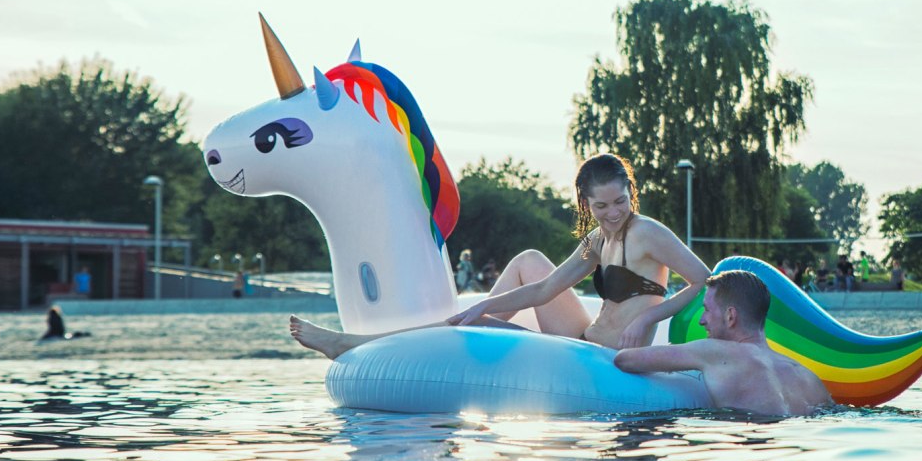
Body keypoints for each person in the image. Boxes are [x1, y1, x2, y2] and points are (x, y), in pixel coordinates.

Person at [290, 153, 710, 357]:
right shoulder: (597, 241)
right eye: (601, 207)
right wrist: (487, 304)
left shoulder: (649, 233)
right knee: (527, 262)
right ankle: (472, 324)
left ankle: (350, 344)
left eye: (620, 201)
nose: (613, 213)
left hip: (606, 356)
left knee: (477, 323)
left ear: (629, 193)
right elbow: (545, 288)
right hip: (585, 339)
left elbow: (702, 279)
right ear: (586, 205)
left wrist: (650, 318)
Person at [613, 269, 831, 417]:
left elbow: (624, 360)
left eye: (706, 309)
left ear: (730, 316)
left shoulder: (715, 352)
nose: (701, 320)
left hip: (743, 456)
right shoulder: (807, 376)